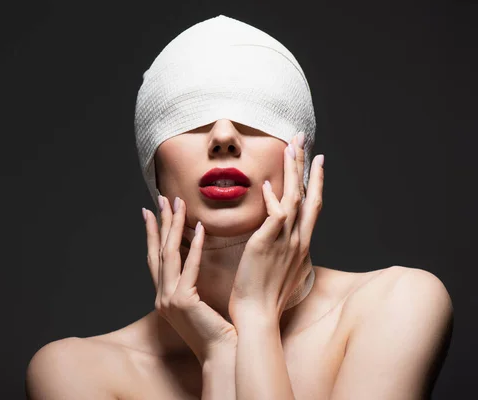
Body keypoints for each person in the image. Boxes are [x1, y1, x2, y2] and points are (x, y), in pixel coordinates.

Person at [25, 15, 453, 399]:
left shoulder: (396, 304)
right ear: (153, 163)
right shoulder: (76, 371)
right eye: (186, 115)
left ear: (299, 155)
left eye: (260, 112)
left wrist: (256, 318)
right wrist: (219, 353)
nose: (224, 136)